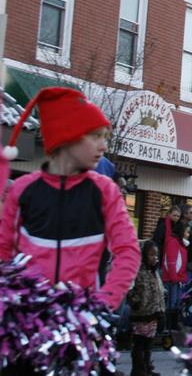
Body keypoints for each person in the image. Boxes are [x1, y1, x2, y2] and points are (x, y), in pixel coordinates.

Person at [0, 87, 141, 373]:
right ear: (67, 137)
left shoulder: (104, 191)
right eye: (95, 136)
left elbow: (128, 250)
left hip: (81, 330)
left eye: (105, 137)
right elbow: (3, 252)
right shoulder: (24, 190)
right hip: (28, 327)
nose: (103, 146)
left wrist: (105, 303)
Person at [128, 240, 165, 376]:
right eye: (151, 255)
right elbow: (130, 289)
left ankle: (146, 367)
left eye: (157, 255)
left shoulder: (154, 272)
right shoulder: (138, 271)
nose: (155, 258)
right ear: (144, 255)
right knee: (139, 344)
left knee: (149, 344)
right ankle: (138, 370)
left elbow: (159, 292)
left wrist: (161, 311)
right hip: (140, 314)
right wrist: (135, 301)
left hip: (153, 314)